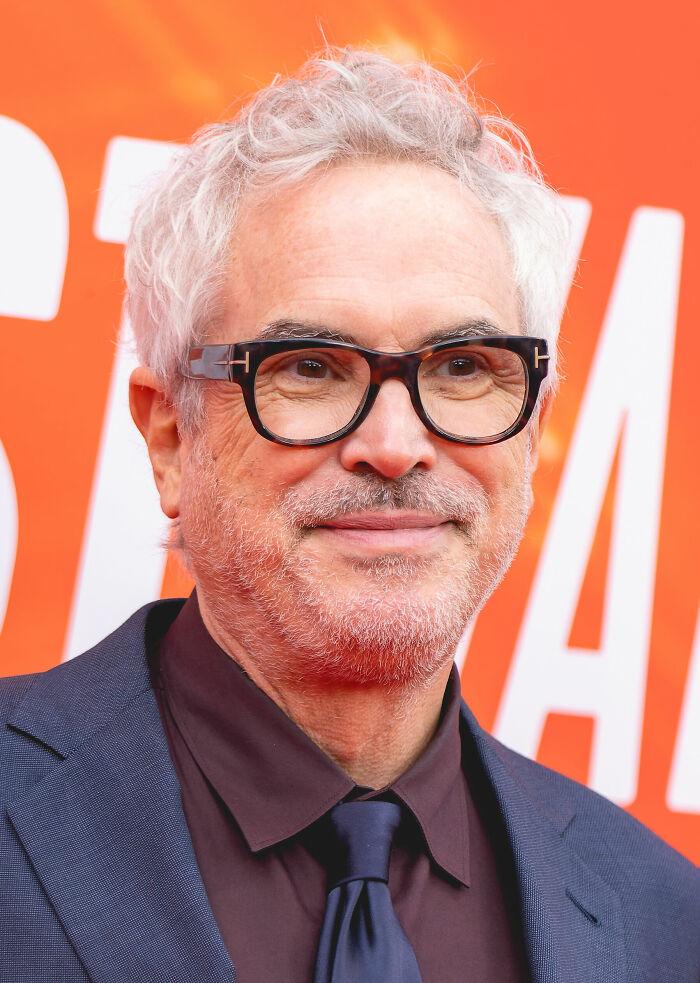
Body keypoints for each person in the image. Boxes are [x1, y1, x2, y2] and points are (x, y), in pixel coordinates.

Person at [0, 46, 697, 983]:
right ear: (170, 438)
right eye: (311, 367)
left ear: (531, 431)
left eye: (463, 366)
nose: (396, 443)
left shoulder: (666, 923)